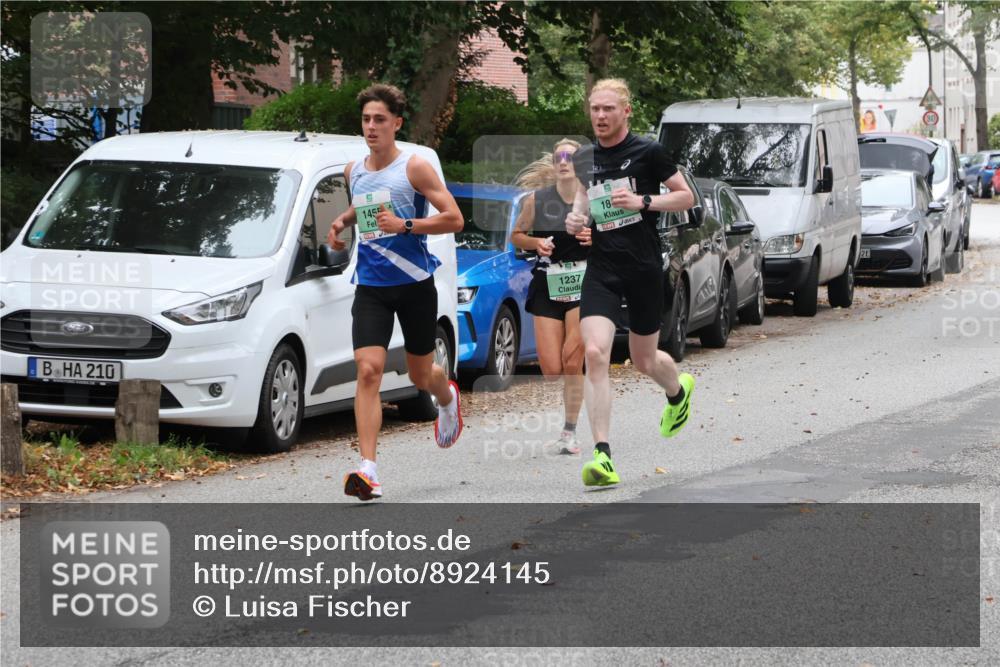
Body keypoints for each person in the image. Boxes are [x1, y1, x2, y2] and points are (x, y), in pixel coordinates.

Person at [327, 83, 464, 501]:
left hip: (414, 285)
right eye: (366, 119)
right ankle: (368, 469)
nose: (371, 127)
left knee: (422, 375)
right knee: (368, 370)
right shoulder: (354, 171)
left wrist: (405, 226)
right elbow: (366, 205)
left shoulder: (415, 168)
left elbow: (454, 219)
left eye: (380, 120)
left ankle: (446, 397)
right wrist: (342, 222)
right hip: (370, 286)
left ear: (396, 124)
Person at [564, 78, 696, 487]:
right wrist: (576, 217)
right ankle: (602, 456)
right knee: (596, 352)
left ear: (626, 111)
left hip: (642, 268)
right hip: (602, 268)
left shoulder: (649, 151)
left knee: (643, 360)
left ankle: (677, 391)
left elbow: (686, 196)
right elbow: (585, 200)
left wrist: (644, 201)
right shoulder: (584, 157)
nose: (600, 116)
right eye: (594, 109)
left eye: (607, 109)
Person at [511, 139, 592, 455]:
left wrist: (593, 236)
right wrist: (536, 244)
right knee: (551, 368)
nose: (562, 160)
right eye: (558, 155)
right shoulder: (537, 200)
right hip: (548, 281)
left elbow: (614, 237)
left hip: (584, 281)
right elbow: (516, 235)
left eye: (569, 156)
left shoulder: (591, 200)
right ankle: (568, 428)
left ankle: (569, 432)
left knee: (573, 360)